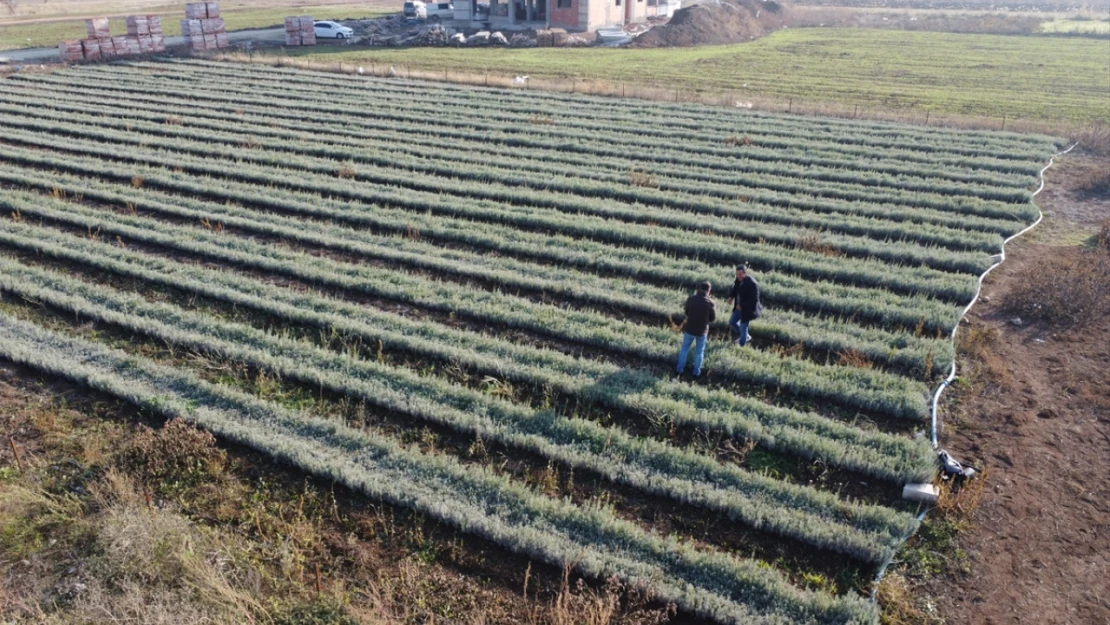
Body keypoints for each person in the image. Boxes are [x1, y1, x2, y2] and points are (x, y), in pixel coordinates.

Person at [676, 281, 716, 378]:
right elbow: (712, 318)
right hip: (702, 331)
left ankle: (679, 369)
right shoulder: (710, 303)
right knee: (699, 352)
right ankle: (696, 372)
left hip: (690, 329)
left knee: (684, 349)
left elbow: (687, 312)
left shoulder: (691, 299)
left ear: (699, 288)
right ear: (709, 290)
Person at [725, 264, 762, 347]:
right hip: (738, 308)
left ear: (745, 273)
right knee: (732, 321)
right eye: (737, 274)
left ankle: (741, 346)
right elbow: (735, 289)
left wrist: (742, 305)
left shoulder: (752, 284)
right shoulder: (738, 279)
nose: (738, 276)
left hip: (747, 310)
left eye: (740, 274)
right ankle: (745, 336)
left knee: (743, 329)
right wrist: (731, 297)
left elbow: (754, 300)